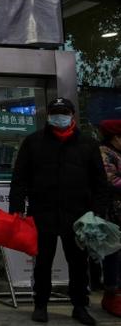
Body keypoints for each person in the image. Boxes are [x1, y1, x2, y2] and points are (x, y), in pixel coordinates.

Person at [9, 97, 108, 325]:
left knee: (78, 264)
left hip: (79, 216)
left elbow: (100, 184)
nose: (59, 116)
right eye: (55, 112)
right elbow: (19, 179)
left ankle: (80, 306)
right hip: (42, 213)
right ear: (48, 116)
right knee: (42, 263)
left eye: (64, 112)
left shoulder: (88, 144)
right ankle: (40, 305)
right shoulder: (33, 142)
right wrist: (16, 209)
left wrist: (96, 212)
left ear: (72, 115)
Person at [98, 119, 121, 317]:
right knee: (114, 254)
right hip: (112, 213)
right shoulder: (105, 153)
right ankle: (112, 295)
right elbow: (110, 180)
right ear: (115, 138)